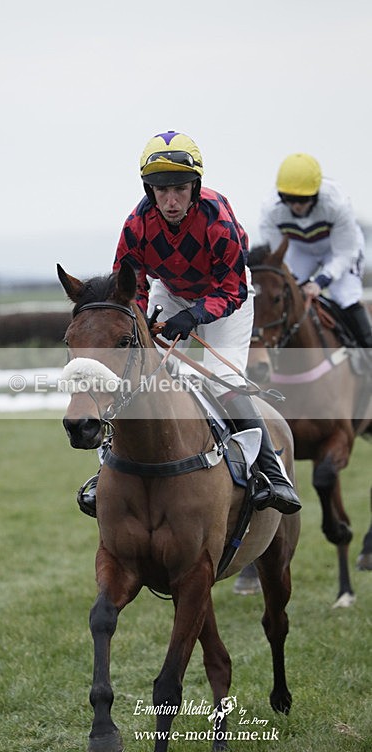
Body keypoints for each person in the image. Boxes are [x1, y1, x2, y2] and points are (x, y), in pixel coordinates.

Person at [78, 130, 301, 518]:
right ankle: (105, 471)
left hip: (226, 299)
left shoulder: (218, 220)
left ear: (195, 186)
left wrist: (193, 315)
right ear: (150, 191)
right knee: (142, 377)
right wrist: (141, 323)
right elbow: (128, 288)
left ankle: (270, 471)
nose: (171, 201)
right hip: (172, 292)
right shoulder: (136, 224)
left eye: (180, 189)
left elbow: (232, 290)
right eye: (161, 191)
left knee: (221, 382)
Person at [259, 152, 372, 347]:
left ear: (316, 194)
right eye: (289, 198)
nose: (295, 206)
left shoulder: (337, 204)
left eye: (302, 199)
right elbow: (278, 257)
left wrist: (320, 281)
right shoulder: (271, 210)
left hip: (338, 250)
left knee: (345, 297)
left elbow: (345, 253)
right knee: (288, 294)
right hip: (301, 250)